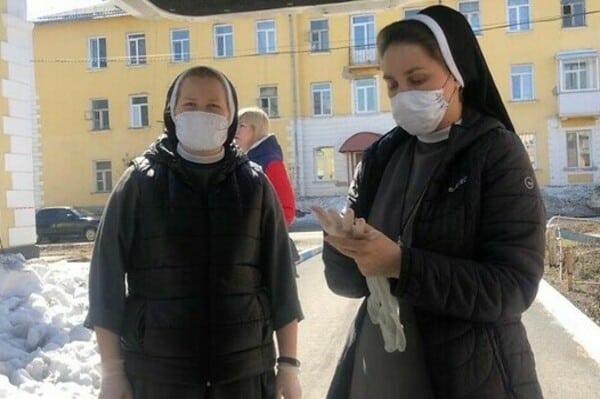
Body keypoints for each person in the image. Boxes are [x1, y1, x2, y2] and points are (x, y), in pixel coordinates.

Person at [312, 5, 545, 399]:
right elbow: (347, 284)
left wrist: (400, 265)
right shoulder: (381, 156)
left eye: (417, 79)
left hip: (470, 376)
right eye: (392, 84)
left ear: (456, 76)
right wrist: (343, 246)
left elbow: (513, 288)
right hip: (378, 371)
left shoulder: (496, 153)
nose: (404, 95)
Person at [85, 65, 303, 399]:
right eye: (189, 105)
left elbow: (281, 281)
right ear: (172, 112)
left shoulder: (255, 185)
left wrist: (288, 365)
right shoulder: (139, 184)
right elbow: (106, 281)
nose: (201, 113)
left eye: (214, 106)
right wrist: (112, 372)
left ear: (231, 116)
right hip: (158, 377)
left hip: (244, 377)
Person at [235, 107, 301, 272]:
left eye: (241, 126)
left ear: (255, 130)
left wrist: (257, 231)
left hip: (269, 254)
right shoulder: (241, 161)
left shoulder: (270, 162)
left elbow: (287, 211)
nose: (235, 131)